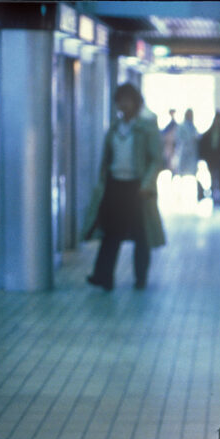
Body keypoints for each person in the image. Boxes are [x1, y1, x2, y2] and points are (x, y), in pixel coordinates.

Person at [84, 83, 166, 291]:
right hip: (115, 185)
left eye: (128, 100)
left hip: (138, 189)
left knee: (141, 234)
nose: (124, 104)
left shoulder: (146, 128)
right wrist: (102, 182)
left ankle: (140, 277)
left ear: (136, 103)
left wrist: (147, 184)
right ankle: (103, 276)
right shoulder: (114, 128)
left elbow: (157, 160)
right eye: (121, 100)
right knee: (111, 232)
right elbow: (106, 158)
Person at [173, 109, 200, 201]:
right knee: (180, 175)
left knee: (194, 174)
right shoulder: (182, 126)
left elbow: (196, 138)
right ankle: (178, 195)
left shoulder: (193, 126)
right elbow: (179, 138)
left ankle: (197, 194)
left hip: (192, 154)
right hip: (184, 153)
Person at [160, 108, 178, 177]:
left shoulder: (174, 124)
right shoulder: (169, 125)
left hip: (173, 146)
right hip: (168, 146)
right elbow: (164, 134)